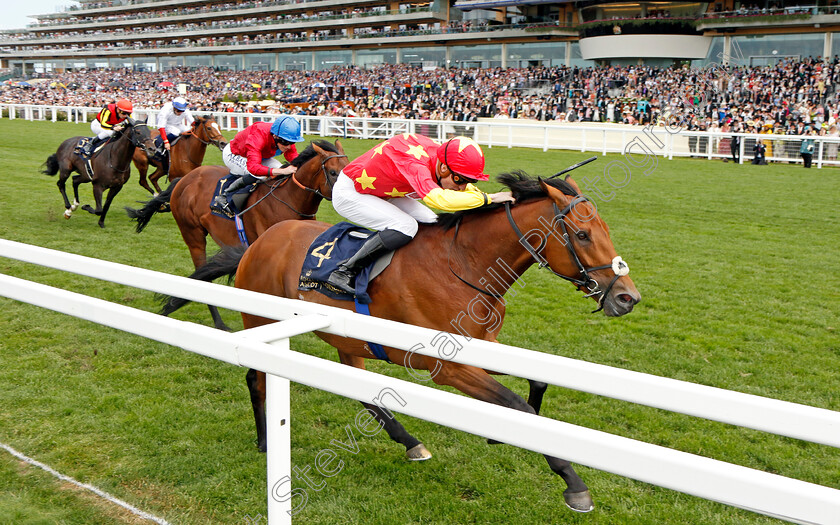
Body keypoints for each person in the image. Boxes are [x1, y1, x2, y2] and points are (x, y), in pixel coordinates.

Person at [326, 134, 515, 295]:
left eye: (468, 181)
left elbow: (461, 190)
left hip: (385, 190)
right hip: (351, 192)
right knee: (406, 226)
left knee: (433, 223)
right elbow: (441, 201)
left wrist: (489, 197)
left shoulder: (441, 160)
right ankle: (344, 271)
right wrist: (488, 199)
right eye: (460, 179)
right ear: (443, 168)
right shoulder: (416, 164)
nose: (462, 187)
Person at [213, 116, 302, 213]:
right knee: (260, 174)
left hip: (259, 156)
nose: (289, 146)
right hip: (235, 154)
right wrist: (282, 171)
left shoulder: (283, 135)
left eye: (292, 142)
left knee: (280, 170)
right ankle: (224, 196)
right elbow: (253, 168)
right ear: (275, 136)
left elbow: (292, 156)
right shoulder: (259, 134)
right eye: (285, 142)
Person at [155, 96, 195, 175]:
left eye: (181, 111)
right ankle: (161, 146)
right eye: (178, 110)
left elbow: (192, 122)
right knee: (176, 132)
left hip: (178, 125)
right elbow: (161, 127)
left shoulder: (185, 110)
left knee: (188, 131)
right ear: (173, 107)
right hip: (166, 125)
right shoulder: (166, 110)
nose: (180, 112)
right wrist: (166, 142)